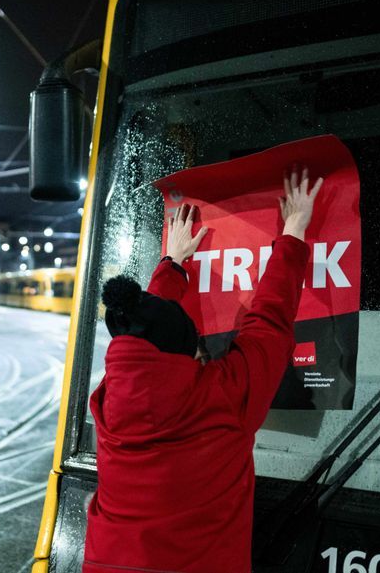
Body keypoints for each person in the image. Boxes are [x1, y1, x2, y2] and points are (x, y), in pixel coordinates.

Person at [83, 169, 323, 573]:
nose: (206, 356)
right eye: (200, 348)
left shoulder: (109, 401)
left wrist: (172, 264)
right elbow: (267, 324)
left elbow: (147, 334)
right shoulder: (223, 399)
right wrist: (295, 228)